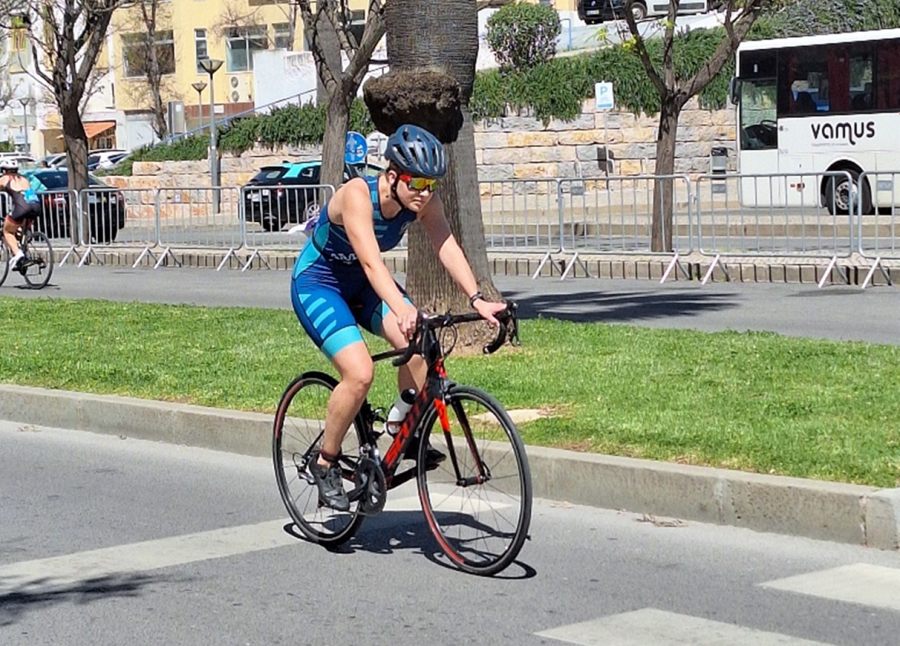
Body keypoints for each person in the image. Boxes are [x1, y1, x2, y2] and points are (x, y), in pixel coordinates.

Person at [290, 124, 507, 511]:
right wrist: (404, 307)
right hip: (320, 284)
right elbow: (373, 264)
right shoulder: (358, 195)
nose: (425, 192)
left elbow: (446, 245)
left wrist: (477, 299)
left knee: (423, 346)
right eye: (418, 182)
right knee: (359, 373)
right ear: (392, 176)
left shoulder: (424, 202)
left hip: (364, 286)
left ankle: (400, 431)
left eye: (432, 184)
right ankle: (325, 462)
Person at [1, 159, 41, 270]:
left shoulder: (5, 178)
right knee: (20, 231)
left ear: (4, 170)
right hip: (36, 205)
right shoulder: (24, 179)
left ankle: (18, 255)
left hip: (22, 207)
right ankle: (25, 253)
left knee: (7, 231)